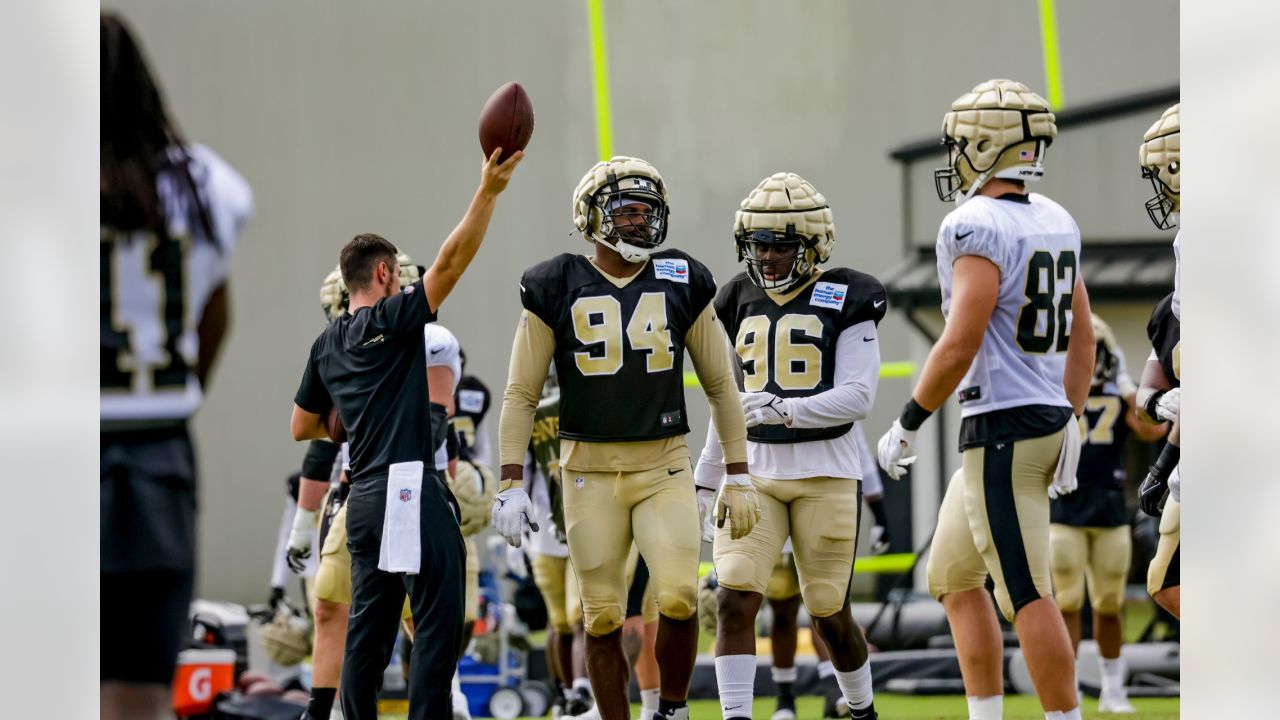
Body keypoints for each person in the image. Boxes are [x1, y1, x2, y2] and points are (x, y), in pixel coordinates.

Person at [493, 156, 755, 720]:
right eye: (626, 210)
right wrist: (510, 482)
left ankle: (674, 710)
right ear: (591, 217)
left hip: (664, 465)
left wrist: (738, 474)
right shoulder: (554, 283)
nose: (640, 222)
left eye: (647, 211)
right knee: (603, 616)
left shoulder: (682, 278)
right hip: (586, 471)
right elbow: (520, 394)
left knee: (682, 596)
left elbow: (721, 387)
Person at [876, 79, 1094, 720]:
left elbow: (960, 338)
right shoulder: (1055, 217)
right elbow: (1083, 328)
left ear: (984, 144)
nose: (954, 158)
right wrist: (1072, 413)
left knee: (1026, 591)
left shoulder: (974, 222)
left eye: (961, 146)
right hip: (1035, 418)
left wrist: (909, 421)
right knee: (950, 575)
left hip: (1003, 427)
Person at [290, 145, 522, 720]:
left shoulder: (327, 343)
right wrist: (488, 191)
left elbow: (301, 427)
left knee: (366, 643)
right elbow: (451, 263)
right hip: (409, 491)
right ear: (384, 273)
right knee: (437, 637)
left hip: (362, 499)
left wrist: (362, 415)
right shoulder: (393, 321)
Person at [100, 12, 253, 720]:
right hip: (158, 452)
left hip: (43, 452)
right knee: (139, 688)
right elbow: (213, 321)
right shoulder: (201, 185)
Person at [698, 172, 885, 720]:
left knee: (828, 612)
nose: (768, 256)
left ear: (813, 245)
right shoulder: (734, 297)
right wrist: (708, 476)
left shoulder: (849, 293)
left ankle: (862, 709)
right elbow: (726, 400)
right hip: (753, 472)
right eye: (759, 244)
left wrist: (786, 408)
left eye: (781, 244)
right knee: (733, 599)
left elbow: (858, 396)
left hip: (826, 472)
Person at [1048, 314, 1167, 712]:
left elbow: (1154, 430)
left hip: (1110, 504)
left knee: (1110, 604)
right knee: (1066, 602)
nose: (1092, 355)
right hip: (1066, 504)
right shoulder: (1056, 386)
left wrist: (1128, 386)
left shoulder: (1118, 389)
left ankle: (1113, 688)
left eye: (1100, 348)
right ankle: (1070, 688)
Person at [1135, 293, 1181, 619]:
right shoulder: (1171, 312)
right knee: (1165, 583)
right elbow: (1144, 396)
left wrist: (1164, 463)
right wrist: (1158, 403)